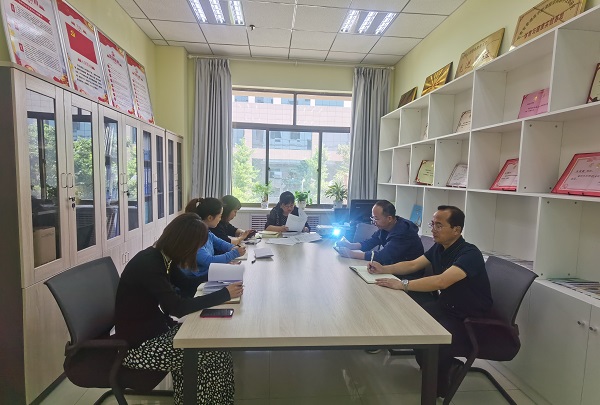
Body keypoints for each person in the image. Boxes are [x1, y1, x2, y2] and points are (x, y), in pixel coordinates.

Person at [114, 213, 243, 405]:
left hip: (156, 331)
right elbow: (177, 307)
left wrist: (220, 275)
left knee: (218, 344)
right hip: (137, 348)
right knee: (210, 350)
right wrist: (224, 294)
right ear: (185, 244)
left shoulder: (163, 257)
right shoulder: (149, 264)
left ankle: (218, 401)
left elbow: (187, 285)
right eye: (196, 246)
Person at [367, 205, 492, 398]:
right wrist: (384, 269)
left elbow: (442, 281)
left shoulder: (469, 254)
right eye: (432, 224)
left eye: (439, 225)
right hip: (447, 305)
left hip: (468, 317)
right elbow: (413, 264)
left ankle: (440, 384)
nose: (433, 229)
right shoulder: (440, 247)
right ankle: (429, 367)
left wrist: (403, 284)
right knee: (413, 318)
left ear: (456, 230)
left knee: (431, 333)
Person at [178, 198, 246, 287]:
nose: (220, 219)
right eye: (220, 216)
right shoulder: (194, 236)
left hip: (205, 274)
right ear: (210, 218)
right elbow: (208, 260)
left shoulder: (207, 232)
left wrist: (232, 248)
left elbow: (220, 243)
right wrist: (234, 253)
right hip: (194, 281)